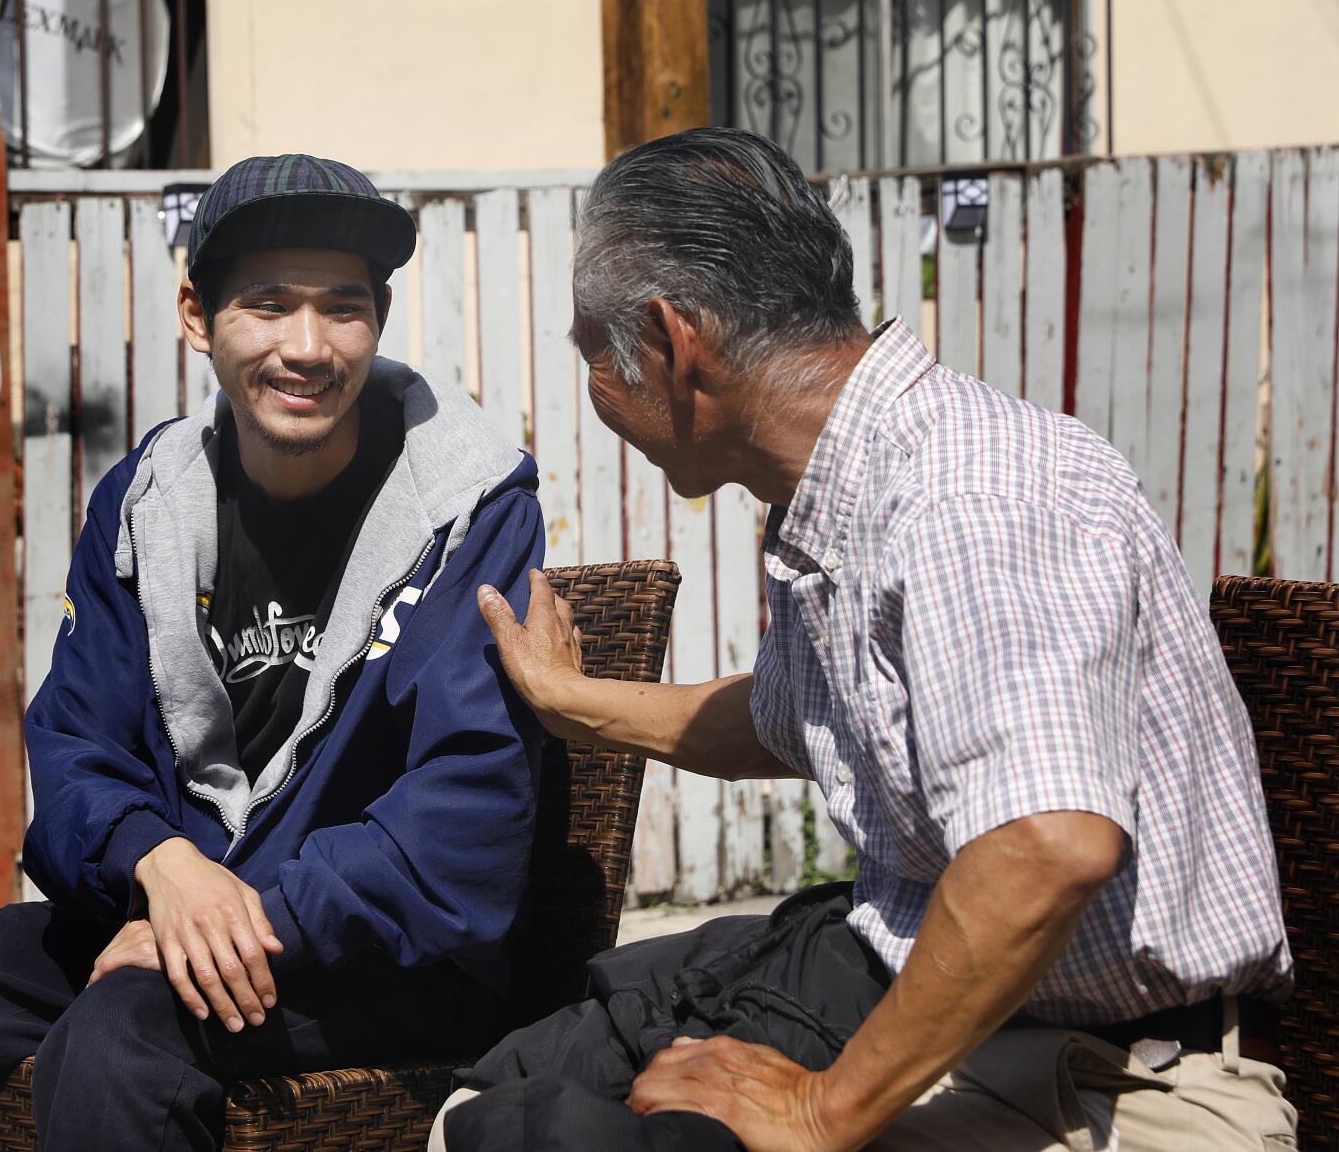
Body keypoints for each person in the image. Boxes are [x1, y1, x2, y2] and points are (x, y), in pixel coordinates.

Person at [444, 127, 1295, 1151]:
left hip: (1116, 1086)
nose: (590, 382)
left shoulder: (966, 499)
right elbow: (784, 722)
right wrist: (572, 702)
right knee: (502, 1099)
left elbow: (1045, 843)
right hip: (950, 1022)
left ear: (673, 344)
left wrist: (818, 1108)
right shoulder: (843, 489)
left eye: (590, 349)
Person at [0, 153, 548, 1151]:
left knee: (119, 1037)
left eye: (343, 307)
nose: (308, 347)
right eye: (268, 305)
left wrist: (225, 917)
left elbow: (461, 817)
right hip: (172, 912)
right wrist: (159, 863)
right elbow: (73, 750)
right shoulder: (144, 503)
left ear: (379, 317)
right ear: (197, 316)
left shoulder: (471, 508)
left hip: (378, 956)